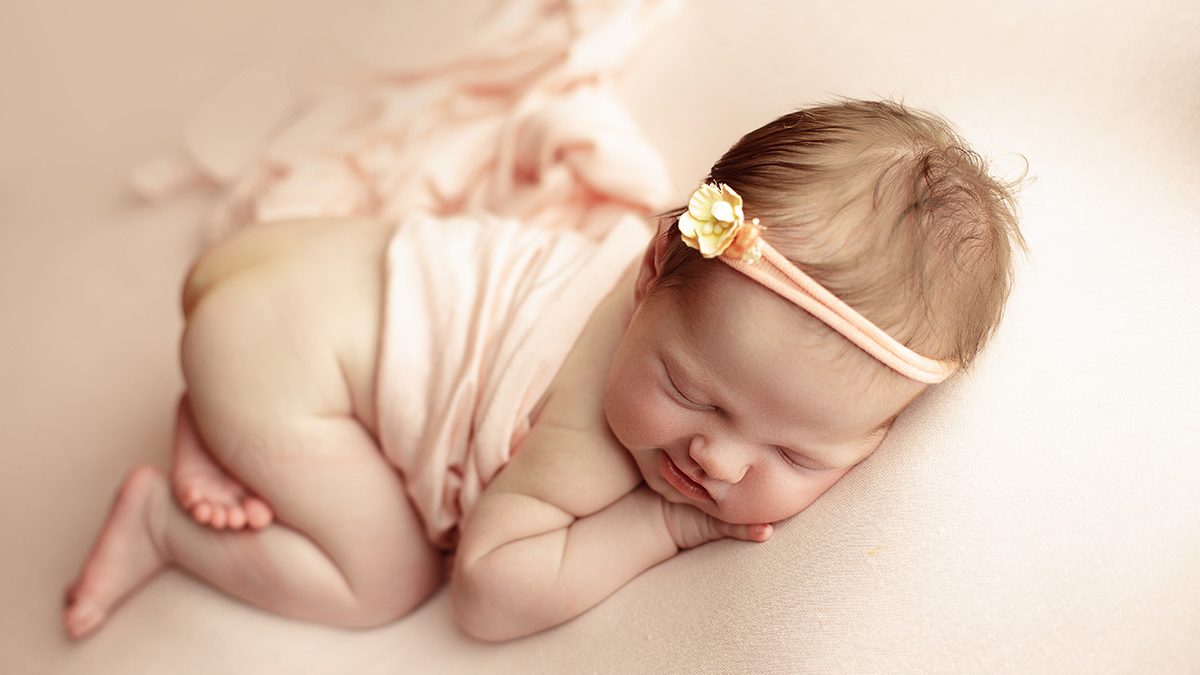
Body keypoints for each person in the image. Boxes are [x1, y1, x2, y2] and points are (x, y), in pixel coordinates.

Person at [63, 98, 1027, 642]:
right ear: (651, 278)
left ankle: (222, 423)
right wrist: (664, 523)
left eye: (796, 452)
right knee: (385, 578)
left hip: (300, 261)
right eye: (693, 392)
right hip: (276, 349)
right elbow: (486, 591)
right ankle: (166, 516)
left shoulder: (695, 291)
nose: (718, 462)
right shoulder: (590, 442)